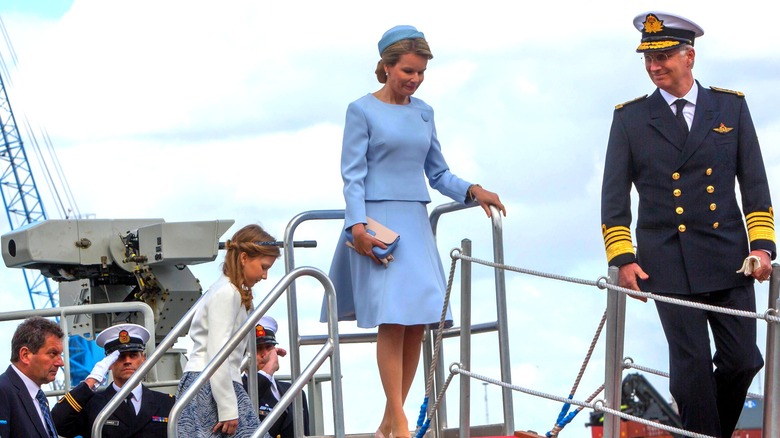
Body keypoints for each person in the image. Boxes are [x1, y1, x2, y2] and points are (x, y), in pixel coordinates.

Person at [323, 25, 506, 438]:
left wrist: (472, 191)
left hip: (415, 221)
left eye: (421, 72)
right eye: (408, 70)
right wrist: (357, 229)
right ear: (386, 67)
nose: (415, 79)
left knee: (418, 321)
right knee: (392, 318)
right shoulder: (361, 110)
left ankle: (391, 421)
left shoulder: (424, 111)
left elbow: (437, 172)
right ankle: (399, 422)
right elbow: (352, 176)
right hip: (376, 223)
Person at [600, 11, 775, 437]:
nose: (654, 66)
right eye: (648, 58)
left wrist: (762, 248)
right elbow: (614, 198)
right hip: (667, 260)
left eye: (663, 56)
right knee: (691, 367)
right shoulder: (630, 118)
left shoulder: (729, 107)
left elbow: (754, 183)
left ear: (689, 56)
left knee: (744, 361)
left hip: (729, 256)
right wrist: (623, 258)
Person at [176, 224, 280, 438]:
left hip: (214, 382)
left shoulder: (229, 290)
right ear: (244, 258)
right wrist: (227, 408)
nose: (265, 275)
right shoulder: (227, 293)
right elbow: (218, 353)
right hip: (210, 384)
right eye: (263, 266)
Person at [51, 323, 175, 437]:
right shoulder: (92, 404)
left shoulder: (167, 403)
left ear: (143, 359)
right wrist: (90, 381)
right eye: (120, 357)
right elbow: (57, 424)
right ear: (108, 363)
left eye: (133, 355)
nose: (127, 361)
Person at [242, 315, 310, 438]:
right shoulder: (239, 388)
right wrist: (269, 369)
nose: (264, 354)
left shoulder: (294, 391)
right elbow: (244, 403)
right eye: (258, 349)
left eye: (268, 347)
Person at [0, 316, 64, 438]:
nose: (60, 363)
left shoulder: (39, 397)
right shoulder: (3, 392)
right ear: (25, 355)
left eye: (60, 355)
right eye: (53, 353)